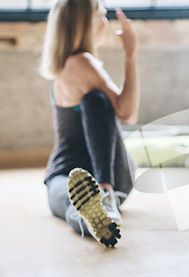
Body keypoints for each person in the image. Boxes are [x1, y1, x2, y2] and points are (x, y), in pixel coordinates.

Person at [39, 0, 140, 247]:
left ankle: (100, 199)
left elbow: (127, 114)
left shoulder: (68, 65)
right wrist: (130, 54)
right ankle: (98, 218)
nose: (105, 23)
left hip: (71, 174)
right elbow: (128, 113)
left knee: (67, 200)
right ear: (85, 23)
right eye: (101, 15)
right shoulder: (81, 61)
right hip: (110, 179)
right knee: (76, 203)